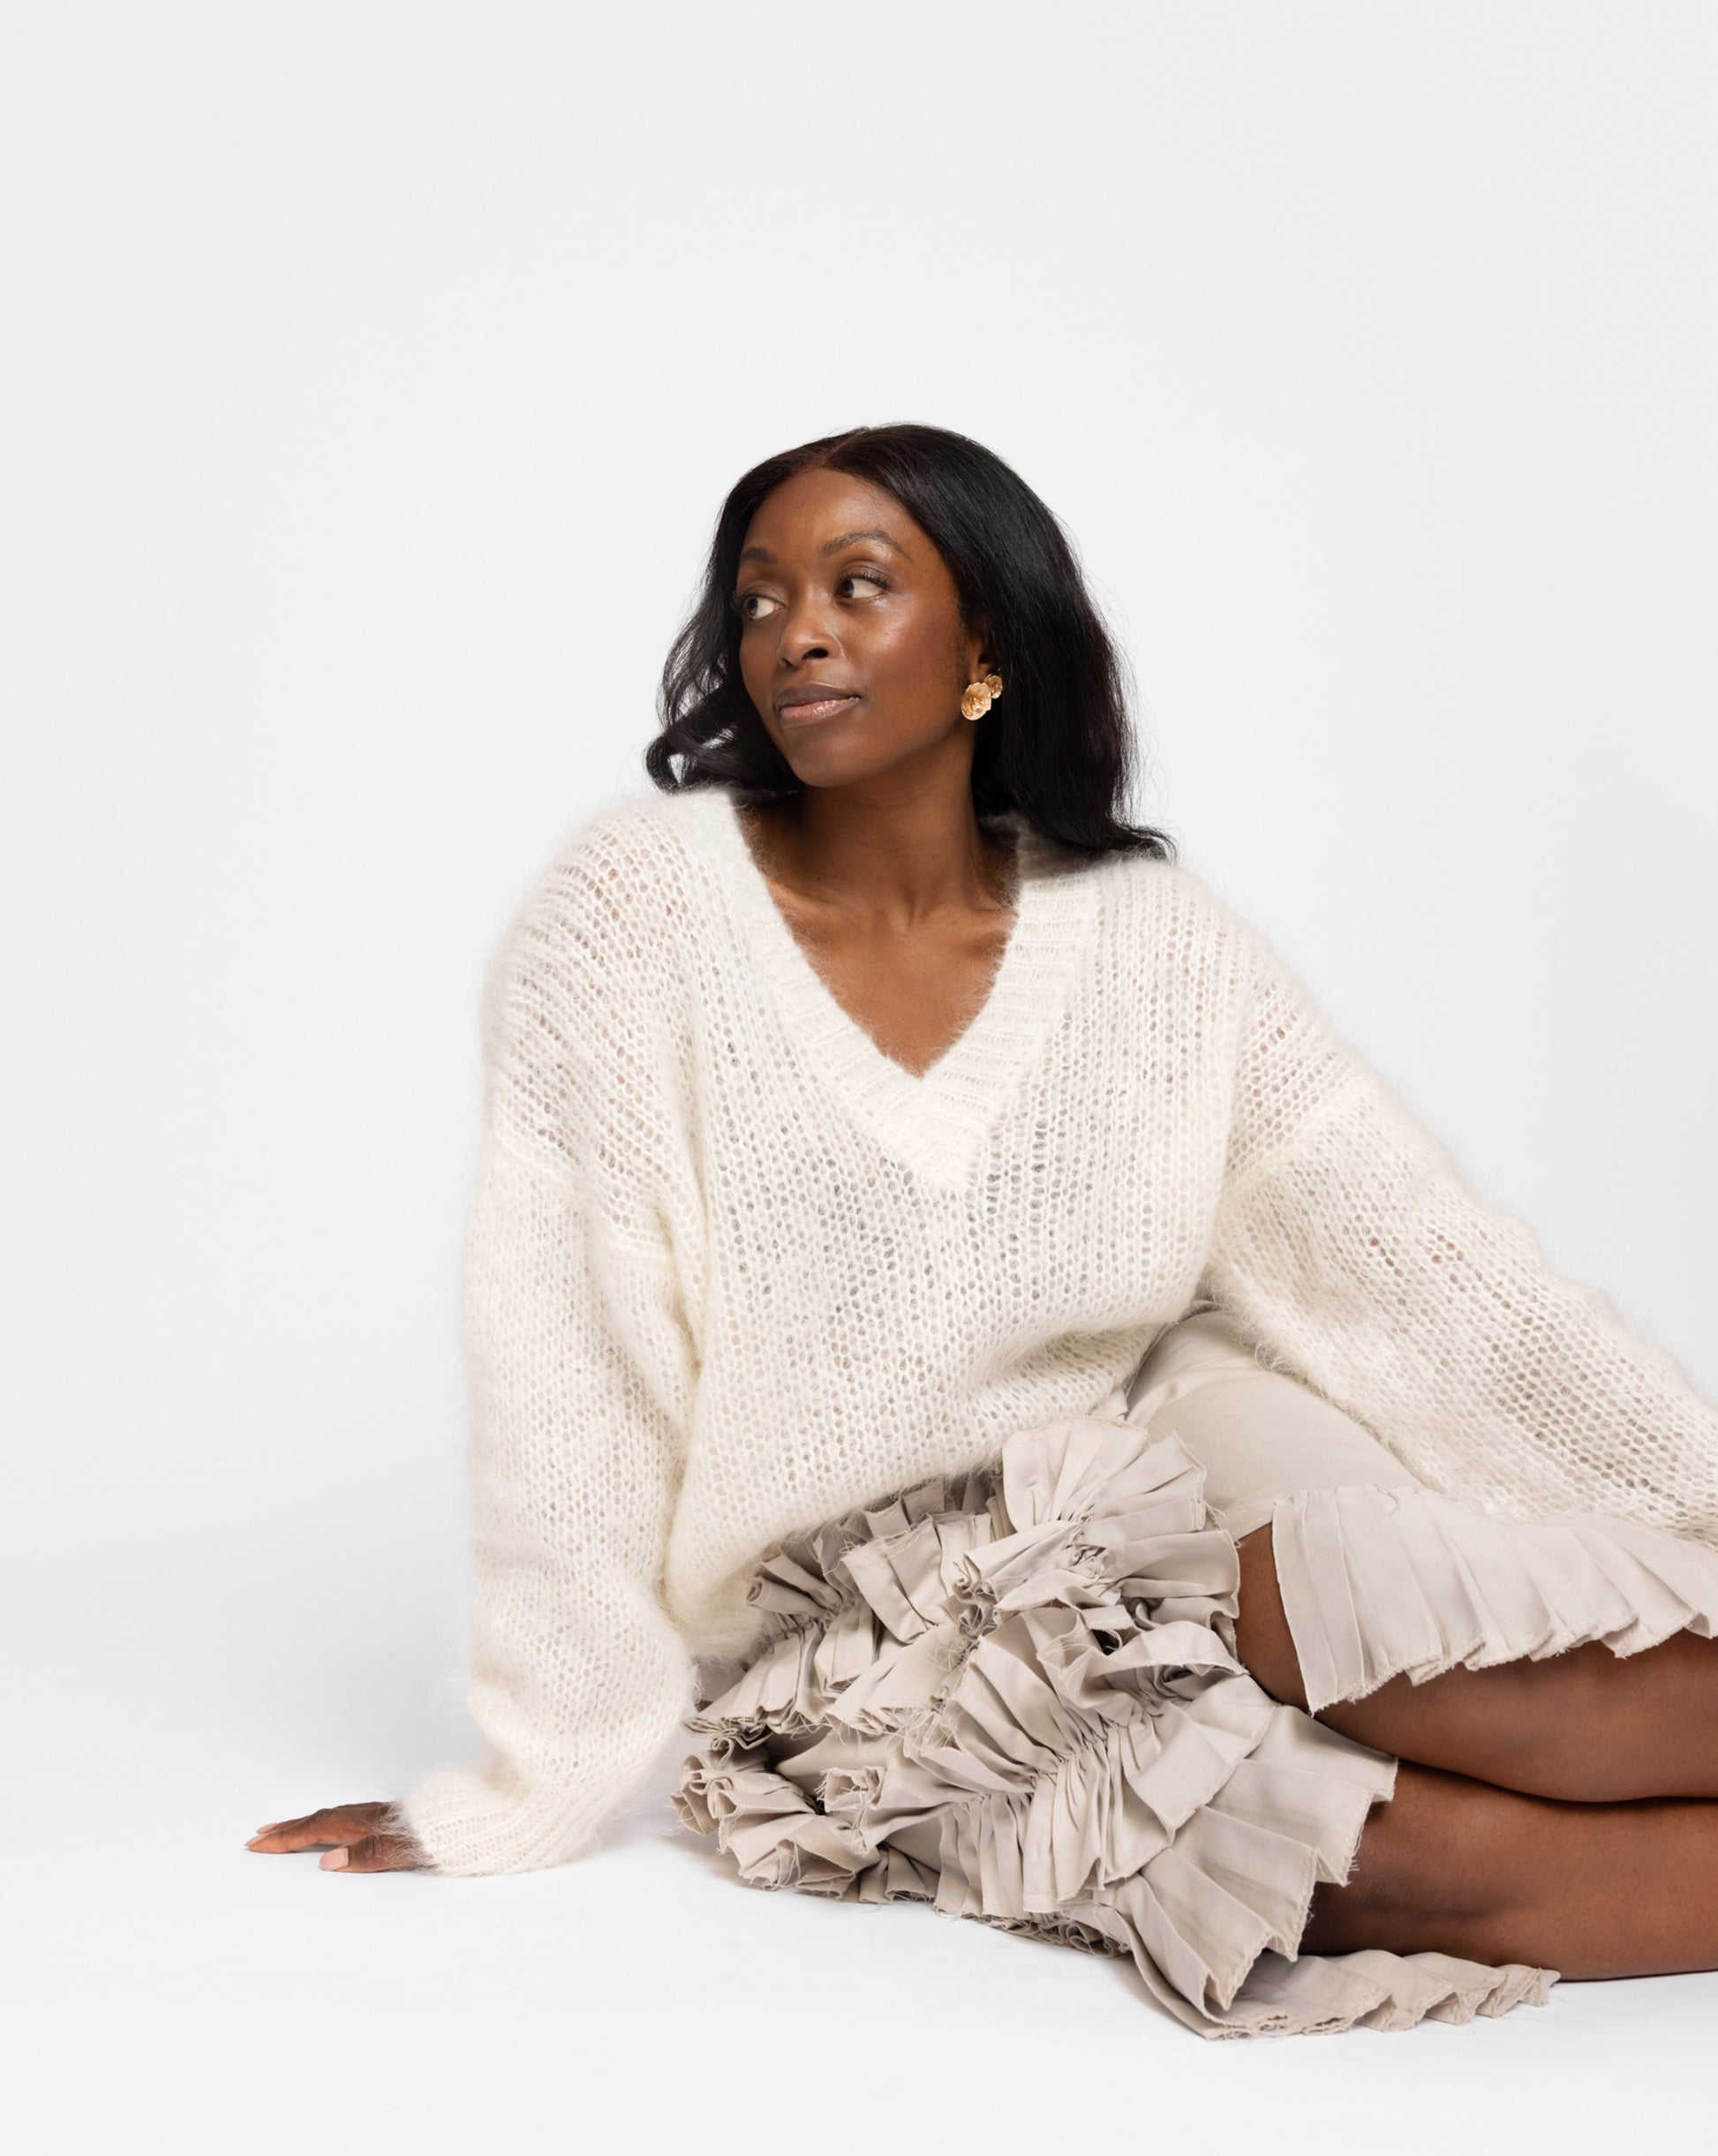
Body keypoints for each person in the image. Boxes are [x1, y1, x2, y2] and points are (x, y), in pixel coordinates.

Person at [249, 423, 1718, 2036]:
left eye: (857, 586)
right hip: (871, 1614)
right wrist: (537, 1776)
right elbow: (570, 1366)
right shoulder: (635, 916)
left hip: (1158, 1450)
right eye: (759, 599)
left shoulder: (1153, 942)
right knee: (1383, 1858)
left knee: (1416, 1645)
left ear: (987, 649)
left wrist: (1696, 1492)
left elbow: (1423, 1275)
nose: (794, 633)